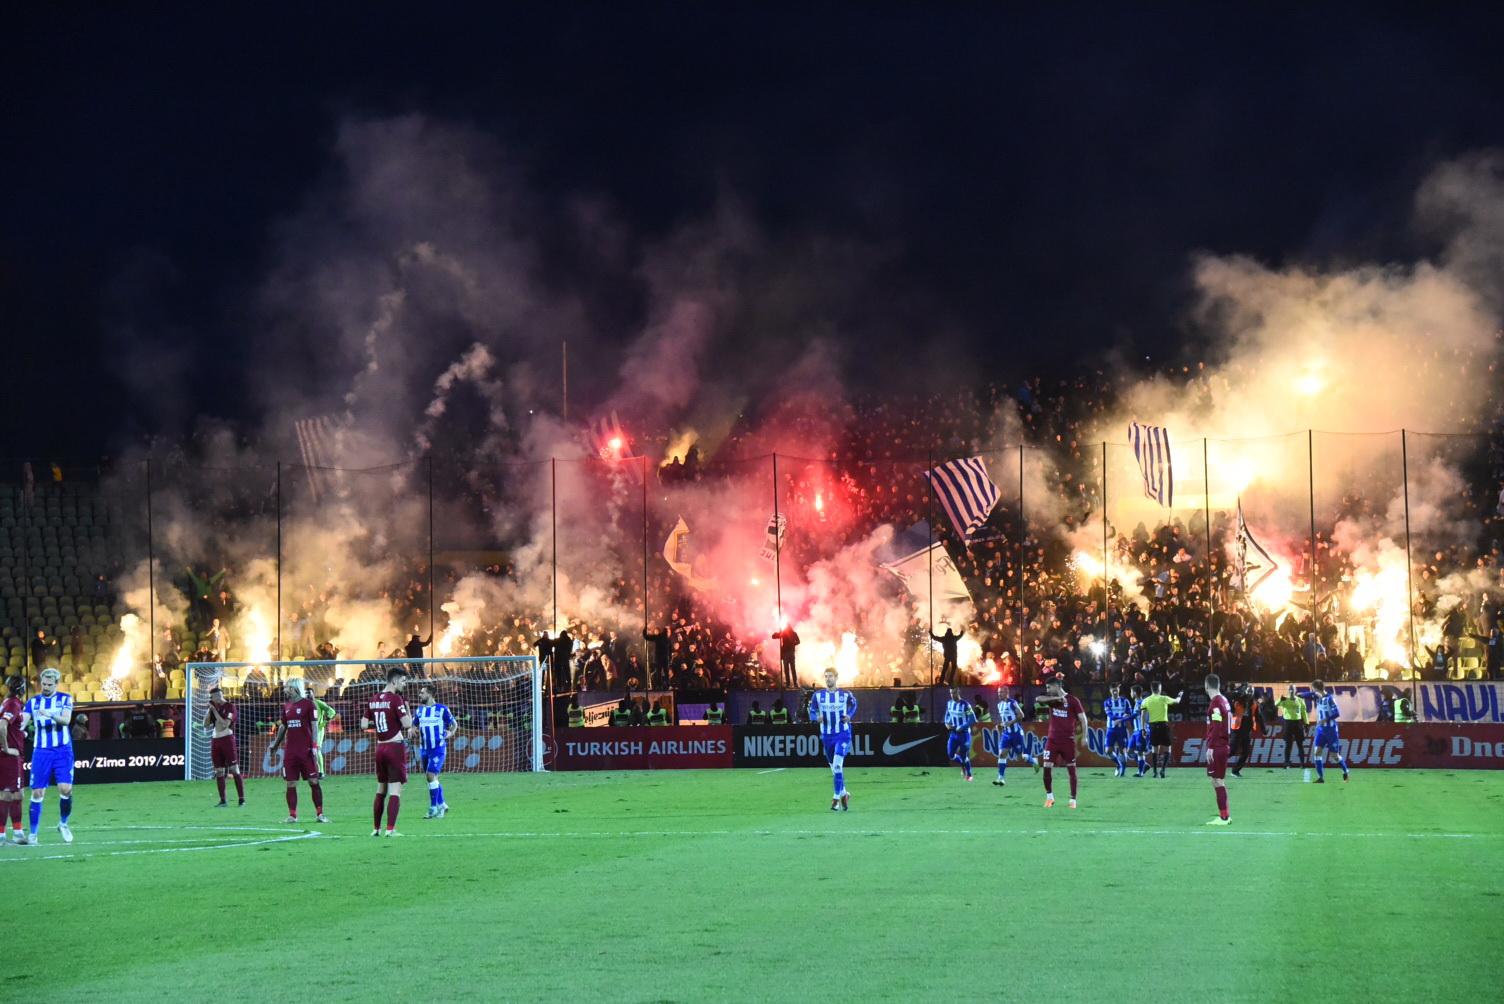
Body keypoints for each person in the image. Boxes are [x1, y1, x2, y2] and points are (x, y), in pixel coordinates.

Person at [22, 668, 76, 843]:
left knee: (66, 789)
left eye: (49, 684)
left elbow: (66, 720)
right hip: (41, 751)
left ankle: (63, 824)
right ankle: (33, 834)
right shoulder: (33, 702)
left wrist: (51, 714)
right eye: (43, 684)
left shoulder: (65, 699)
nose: (45, 687)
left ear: (56, 684)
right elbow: (22, 723)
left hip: (62, 750)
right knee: (37, 792)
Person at [267, 678, 329, 825]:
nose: (284, 689)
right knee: (291, 784)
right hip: (291, 752)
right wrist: (275, 745)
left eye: (287, 687)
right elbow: (283, 727)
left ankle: (320, 814)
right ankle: (292, 816)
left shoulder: (309, 705)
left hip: (306, 751)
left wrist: (314, 746)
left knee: (314, 782)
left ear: (294, 688)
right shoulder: (287, 706)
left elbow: (314, 726)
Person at [361, 668, 415, 837]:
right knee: (395, 791)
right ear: (394, 681)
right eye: (403, 681)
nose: (404, 684)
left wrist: (378, 726)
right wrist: (407, 709)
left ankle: (375, 829)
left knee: (380, 790)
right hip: (394, 747)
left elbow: (363, 724)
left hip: (380, 748)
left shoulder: (374, 699)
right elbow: (407, 724)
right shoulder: (396, 699)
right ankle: (390, 830)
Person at [808, 667, 857, 811]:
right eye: (826, 676)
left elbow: (854, 704)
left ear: (836, 678)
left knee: (837, 766)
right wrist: (816, 718)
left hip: (842, 734)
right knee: (834, 769)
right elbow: (811, 710)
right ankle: (844, 794)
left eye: (830, 676)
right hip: (826, 736)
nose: (828, 679)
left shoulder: (845, 694)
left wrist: (849, 716)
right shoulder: (818, 696)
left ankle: (836, 799)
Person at [1036, 675, 1088, 808]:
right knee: (1046, 767)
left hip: (1068, 741)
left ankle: (1073, 800)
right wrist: (1056, 698)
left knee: (1071, 770)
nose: (1047, 690)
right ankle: (1049, 797)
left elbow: (1083, 719)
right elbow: (1038, 699)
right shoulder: (1052, 700)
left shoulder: (1073, 701)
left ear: (1057, 685)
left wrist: (1084, 736)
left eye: (1049, 687)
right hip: (1052, 740)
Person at [414, 682, 457, 819]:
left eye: (422, 692)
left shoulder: (442, 709)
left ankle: (433, 808)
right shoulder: (419, 711)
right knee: (432, 779)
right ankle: (442, 804)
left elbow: (454, 724)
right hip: (424, 749)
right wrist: (411, 730)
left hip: (438, 748)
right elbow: (414, 725)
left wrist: (451, 733)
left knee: (430, 775)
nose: (420, 694)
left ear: (430, 694)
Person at [204, 685, 245, 807]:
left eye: (212, 697)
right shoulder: (214, 708)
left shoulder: (230, 707)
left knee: (234, 769)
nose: (210, 699)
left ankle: (241, 799)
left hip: (227, 739)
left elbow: (224, 725)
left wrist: (215, 711)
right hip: (215, 740)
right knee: (219, 771)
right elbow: (205, 724)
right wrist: (210, 710)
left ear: (217, 696)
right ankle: (223, 800)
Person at [991, 685, 1038, 786]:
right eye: (998, 692)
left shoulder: (1012, 703)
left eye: (1001, 692)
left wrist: (1011, 722)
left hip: (1016, 733)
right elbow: (1003, 719)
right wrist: (999, 725)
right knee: (1002, 754)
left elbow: (1021, 715)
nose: (999, 694)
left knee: (1021, 757)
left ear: (1007, 693)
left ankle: (1033, 761)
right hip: (1006, 734)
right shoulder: (999, 705)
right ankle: (1001, 778)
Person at [1203, 673, 1233, 826]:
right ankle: (1225, 815)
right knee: (1217, 781)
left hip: (1218, 746)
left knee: (1217, 781)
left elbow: (1216, 726)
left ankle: (1224, 818)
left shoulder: (1215, 703)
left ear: (1206, 686)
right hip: (1223, 744)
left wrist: (1211, 747)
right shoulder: (1224, 700)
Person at [1309, 680, 1351, 784]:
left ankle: (1345, 771)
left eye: (1313, 689)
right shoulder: (1318, 698)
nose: (1313, 691)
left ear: (1317, 688)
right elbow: (1308, 695)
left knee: (1334, 756)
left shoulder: (1330, 699)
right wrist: (1298, 694)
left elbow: (1337, 713)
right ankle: (1320, 777)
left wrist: (1326, 719)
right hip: (1321, 730)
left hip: (1331, 731)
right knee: (1317, 752)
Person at [1, 680, 26, 844]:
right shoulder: (13, 704)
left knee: (17, 794)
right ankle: (2, 835)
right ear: (21, 689)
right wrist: (6, 748)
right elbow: (2, 725)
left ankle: (18, 833)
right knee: (6, 795)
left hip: (15, 757)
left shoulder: (7, 702)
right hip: (9, 757)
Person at [1139, 681, 1182, 778]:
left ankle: (1154, 771)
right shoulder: (1164, 698)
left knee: (1155, 749)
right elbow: (1177, 701)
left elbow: (1142, 715)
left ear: (1151, 689)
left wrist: (1143, 729)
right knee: (1167, 748)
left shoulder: (1146, 700)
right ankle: (1162, 769)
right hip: (1163, 725)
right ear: (1159, 688)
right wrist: (1180, 695)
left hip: (1152, 726)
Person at [942, 686, 977, 781]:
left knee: (963, 754)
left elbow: (973, 719)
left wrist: (961, 727)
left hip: (964, 734)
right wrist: (947, 724)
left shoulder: (966, 705)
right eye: (951, 693)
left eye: (954, 693)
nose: (952, 695)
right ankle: (963, 764)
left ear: (958, 692)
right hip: (953, 734)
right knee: (951, 755)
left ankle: (969, 775)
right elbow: (947, 715)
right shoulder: (949, 704)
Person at [1275, 685, 1310, 776]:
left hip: (1298, 723)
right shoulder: (1284, 700)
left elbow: (1304, 712)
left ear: (1295, 690)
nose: (1291, 690)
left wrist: (1306, 723)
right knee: (1288, 744)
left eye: (1292, 689)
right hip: (1288, 723)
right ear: (1288, 690)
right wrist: (1280, 700)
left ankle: (1302, 763)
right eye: (1289, 689)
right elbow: (1275, 704)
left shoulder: (1300, 700)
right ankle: (1286, 762)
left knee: (1300, 744)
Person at [1102, 683, 1134, 778]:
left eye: (1116, 689)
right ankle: (1118, 764)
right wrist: (1121, 717)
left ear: (1119, 690)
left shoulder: (1125, 701)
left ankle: (1123, 770)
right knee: (1108, 750)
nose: (1115, 691)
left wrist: (1120, 720)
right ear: (1110, 691)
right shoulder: (1107, 702)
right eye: (1113, 690)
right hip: (1111, 729)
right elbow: (1110, 715)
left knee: (1122, 750)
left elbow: (1130, 714)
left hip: (1122, 730)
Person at [310, 686, 339, 776]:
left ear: (313, 694)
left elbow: (332, 711)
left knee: (317, 749)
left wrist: (325, 721)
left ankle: (321, 772)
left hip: (318, 730)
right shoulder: (304, 705)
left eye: (310, 693)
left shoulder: (318, 703)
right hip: (307, 731)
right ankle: (311, 770)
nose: (308, 695)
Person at [1228, 686, 1255, 778]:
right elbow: (1231, 700)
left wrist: (1263, 728)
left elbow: (1258, 716)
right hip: (1236, 728)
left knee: (1246, 752)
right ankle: (1217, 761)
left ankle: (1235, 771)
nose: (1250, 694)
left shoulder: (1253, 704)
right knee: (1232, 750)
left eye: (1251, 692)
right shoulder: (1239, 699)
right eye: (1248, 691)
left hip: (1246, 730)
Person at [1126, 685, 1151, 777]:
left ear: (1135, 693)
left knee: (1140, 752)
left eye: (1131, 692)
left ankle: (1140, 772)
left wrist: (1122, 719)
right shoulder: (1137, 703)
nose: (1130, 693)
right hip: (1136, 731)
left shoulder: (1141, 703)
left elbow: (1135, 716)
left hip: (1142, 730)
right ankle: (1144, 765)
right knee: (1129, 751)